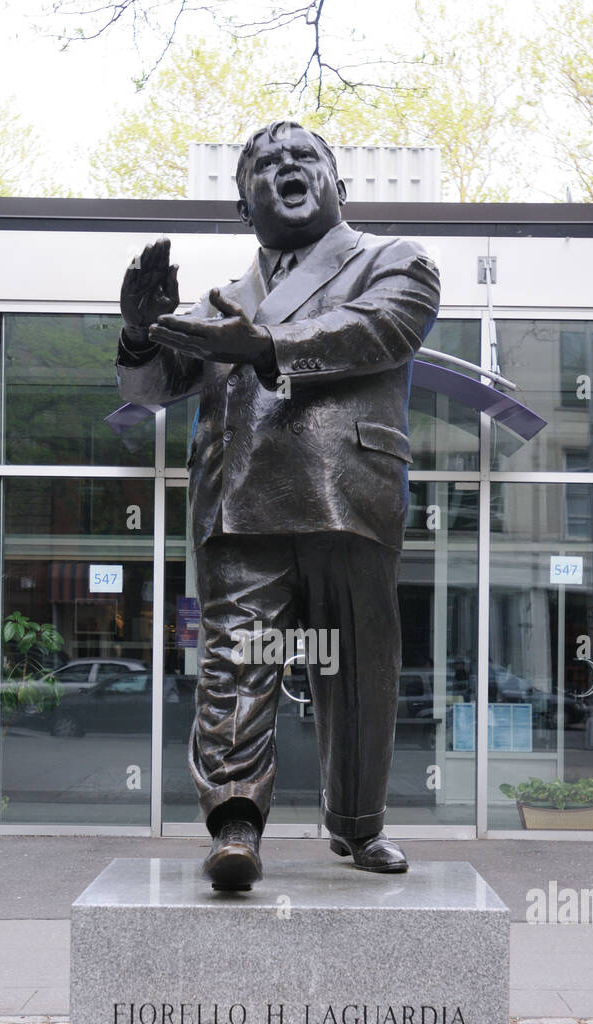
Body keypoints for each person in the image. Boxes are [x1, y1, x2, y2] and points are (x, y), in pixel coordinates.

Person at [116, 118, 440, 888]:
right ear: (242, 205)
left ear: (338, 185)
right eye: (265, 165)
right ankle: (234, 824)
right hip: (241, 506)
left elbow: (379, 331)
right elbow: (154, 385)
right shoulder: (223, 298)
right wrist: (136, 333)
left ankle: (358, 825)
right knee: (233, 664)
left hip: (347, 499)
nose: (287, 168)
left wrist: (261, 348)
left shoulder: (392, 262)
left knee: (358, 670)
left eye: (304, 158)